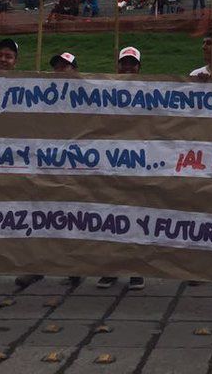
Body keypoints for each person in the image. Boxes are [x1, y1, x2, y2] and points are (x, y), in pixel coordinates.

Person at [96, 47, 145, 292]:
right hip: (109, 164)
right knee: (109, 217)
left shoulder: (152, 92)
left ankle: (137, 270)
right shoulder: (104, 91)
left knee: (136, 217)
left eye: (132, 64)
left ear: (139, 67)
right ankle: (110, 268)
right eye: (123, 64)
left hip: (138, 165)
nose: (127, 68)